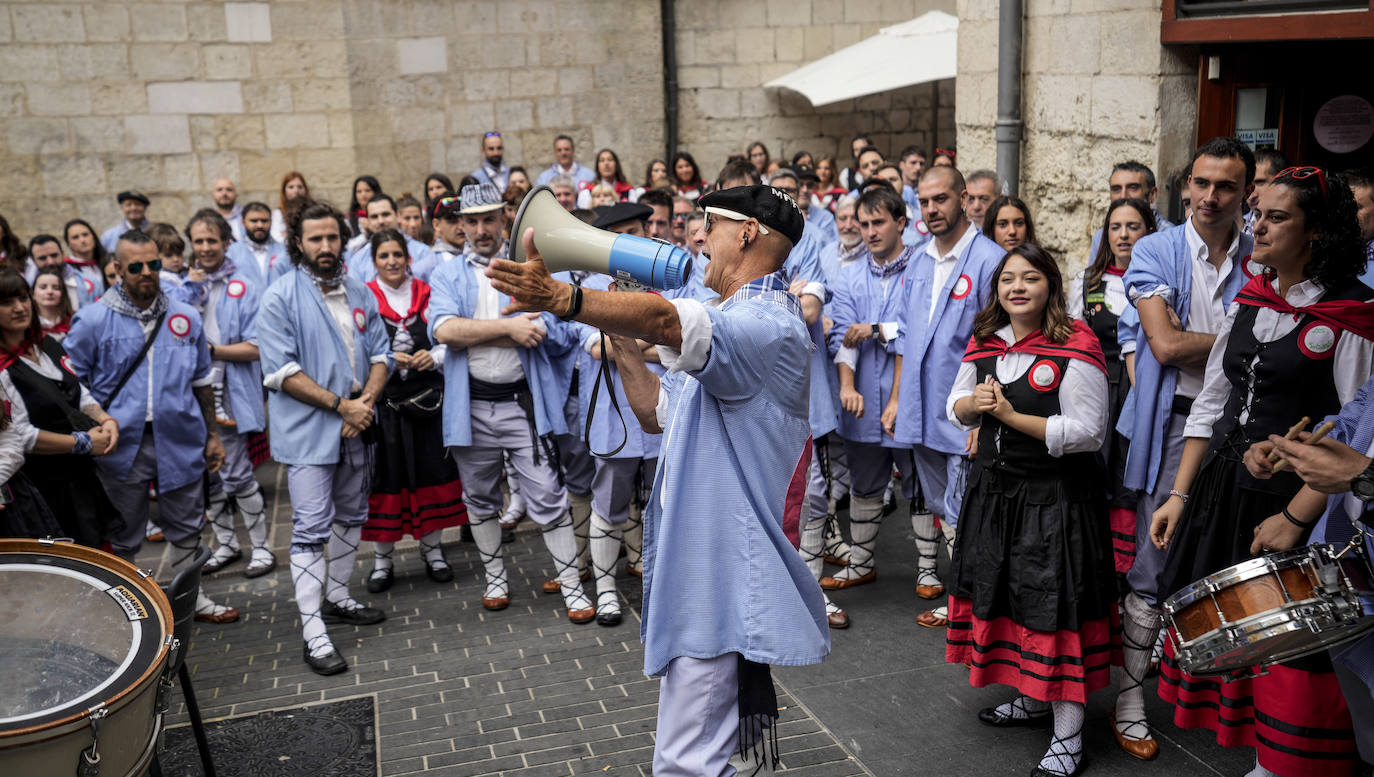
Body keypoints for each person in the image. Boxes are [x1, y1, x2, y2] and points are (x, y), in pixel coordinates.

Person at [485, 183, 829, 776]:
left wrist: (564, 297)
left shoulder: (767, 323)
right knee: (699, 753)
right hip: (704, 565)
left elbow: (667, 319)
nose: (700, 241)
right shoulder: (736, 326)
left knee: (686, 761)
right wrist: (618, 338)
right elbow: (656, 413)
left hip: (718, 571)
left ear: (746, 232)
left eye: (711, 226)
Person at [1150, 166, 1370, 777]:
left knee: (1294, 642)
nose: (1258, 227)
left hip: (1302, 507)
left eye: (1277, 217)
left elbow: (1354, 432)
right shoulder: (1252, 297)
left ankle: (1284, 763)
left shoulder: (1352, 317)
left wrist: (1299, 516)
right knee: (1243, 634)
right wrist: (1179, 493)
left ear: (1317, 232)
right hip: (1229, 490)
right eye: (1258, 214)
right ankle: (1262, 754)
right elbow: (1213, 404)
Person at [945, 243, 1117, 777]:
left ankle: (1069, 737)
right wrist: (974, 405)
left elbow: (1089, 433)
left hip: (1055, 499)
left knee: (1055, 607)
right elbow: (956, 409)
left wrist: (1011, 416)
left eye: (1030, 278)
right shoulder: (985, 343)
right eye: (1007, 280)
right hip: (996, 494)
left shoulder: (1076, 344)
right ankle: (1035, 698)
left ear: (1051, 288)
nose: (1017, 287)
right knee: (1015, 598)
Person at [1116, 137, 1256, 759]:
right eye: (1201, 183)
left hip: (1246, 425)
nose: (1210, 196)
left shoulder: (1262, 252)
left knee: (1230, 553)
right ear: (1185, 186)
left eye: (1225, 186)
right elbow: (1166, 347)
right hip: (1175, 423)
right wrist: (1246, 339)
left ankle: (1221, 700)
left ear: (1245, 192)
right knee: (1153, 558)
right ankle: (1128, 700)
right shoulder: (1155, 248)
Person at [427, 183, 594, 621]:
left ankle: (573, 586)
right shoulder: (446, 273)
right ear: (460, 226)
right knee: (480, 498)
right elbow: (444, 331)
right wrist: (511, 329)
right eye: (473, 221)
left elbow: (563, 337)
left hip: (524, 405)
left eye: (489, 219)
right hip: (472, 407)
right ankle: (496, 579)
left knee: (548, 495)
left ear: (504, 219)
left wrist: (545, 325)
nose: (482, 229)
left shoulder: (530, 265)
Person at [65, 229, 239, 624]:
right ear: (116, 268)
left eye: (154, 264)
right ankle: (121, 612)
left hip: (179, 438)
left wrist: (212, 435)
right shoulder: (93, 320)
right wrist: (90, 433)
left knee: (188, 523)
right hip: (118, 445)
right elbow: (73, 387)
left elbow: (201, 381)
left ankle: (191, 601)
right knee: (123, 532)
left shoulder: (184, 315)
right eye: (137, 266)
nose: (147, 272)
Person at [256, 201, 392, 676]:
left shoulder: (359, 291)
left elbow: (382, 352)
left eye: (332, 237)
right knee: (311, 526)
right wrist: (342, 407)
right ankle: (313, 631)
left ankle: (337, 596)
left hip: (358, 420)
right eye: (315, 239)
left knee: (353, 513)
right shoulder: (279, 296)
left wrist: (365, 403)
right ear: (298, 243)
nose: (326, 247)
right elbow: (281, 370)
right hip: (311, 430)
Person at [890, 166, 1006, 629]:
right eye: (924, 202)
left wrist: (983, 419)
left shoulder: (989, 259)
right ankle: (968, 595)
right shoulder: (917, 260)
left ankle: (969, 603)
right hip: (921, 409)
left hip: (963, 413)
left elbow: (999, 344)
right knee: (942, 507)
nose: (932, 209)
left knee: (964, 508)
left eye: (941, 199)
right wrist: (897, 399)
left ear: (963, 198)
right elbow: (904, 336)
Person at [1246, 374, 1374, 771]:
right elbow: (1359, 416)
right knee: (1368, 731)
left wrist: (1365, 477)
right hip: (1352, 563)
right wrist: (1306, 447)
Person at [821, 186, 924, 625]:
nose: (869, 232)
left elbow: (919, 328)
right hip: (863, 393)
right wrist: (848, 387)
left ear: (901, 222)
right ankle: (861, 562)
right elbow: (844, 335)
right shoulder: (849, 276)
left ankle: (929, 568)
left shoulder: (920, 267)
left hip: (911, 392)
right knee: (865, 481)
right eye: (863, 224)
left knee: (919, 479)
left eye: (878, 222)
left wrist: (877, 328)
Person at [361, 228, 468, 591]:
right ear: (374, 261)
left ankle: (433, 551)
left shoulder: (427, 293)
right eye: (383, 256)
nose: (391, 261)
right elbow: (360, 351)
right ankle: (382, 561)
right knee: (386, 480)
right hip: (386, 405)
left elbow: (445, 342)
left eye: (397, 254)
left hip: (427, 404)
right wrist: (388, 360)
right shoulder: (366, 297)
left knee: (431, 474)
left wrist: (432, 356)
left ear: (408, 257)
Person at [179, 210, 274, 579]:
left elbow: (257, 346)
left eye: (211, 241)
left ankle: (262, 547)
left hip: (227, 392)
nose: (205, 248)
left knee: (236, 472)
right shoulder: (183, 287)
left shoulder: (246, 286)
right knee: (209, 476)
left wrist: (210, 351)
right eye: (198, 241)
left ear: (226, 242)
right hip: (188, 396)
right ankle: (227, 544)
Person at [1067, 198, 1157, 591]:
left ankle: (1123, 575)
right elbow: (1070, 340)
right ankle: (1090, 563)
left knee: (1126, 480)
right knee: (1090, 475)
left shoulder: (1159, 281)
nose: (1123, 234)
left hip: (1138, 393)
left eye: (1133, 226)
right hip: (1096, 391)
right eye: (1115, 226)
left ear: (1149, 232)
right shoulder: (1087, 282)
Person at [0, 270, 122, 548]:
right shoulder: (3, 368)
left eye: (22, 298)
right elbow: (22, 435)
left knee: (102, 553)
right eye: (7, 302)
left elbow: (78, 393)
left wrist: (105, 419)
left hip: (80, 477)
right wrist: (84, 442)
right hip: (46, 485)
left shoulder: (47, 345)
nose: (20, 307)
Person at [1089, 162, 1175, 258]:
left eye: (1133, 188)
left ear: (1152, 194)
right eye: (1116, 189)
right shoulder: (1101, 237)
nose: (1123, 196)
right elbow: (1095, 272)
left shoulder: (1170, 239)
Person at [348, 195, 438, 283]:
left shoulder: (422, 252)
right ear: (368, 221)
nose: (381, 221)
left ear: (398, 216)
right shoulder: (358, 260)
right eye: (374, 217)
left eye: (385, 214)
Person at [228, 201, 289, 290]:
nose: (260, 225)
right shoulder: (232, 253)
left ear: (271, 222)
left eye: (264, 221)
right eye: (254, 221)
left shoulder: (284, 251)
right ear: (243, 222)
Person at [61, 219, 108, 308]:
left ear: (93, 236)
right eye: (75, 237)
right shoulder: (66, 270)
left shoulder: (106, 263)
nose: (82, 240)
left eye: (85, 235)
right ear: (68, 243)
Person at [1245, 149, 1290, 232]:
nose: (1251, 196)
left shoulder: (1293, 226)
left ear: (1282, 181)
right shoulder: (1236, 225)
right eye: (1247, 184)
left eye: (1260, 183)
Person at [794, 164, 837, 246]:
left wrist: (805, 223)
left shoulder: (826, 217)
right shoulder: (783, 215)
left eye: (809, 185)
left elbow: (827, 248)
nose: (805, 190)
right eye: (800, 184)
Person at [32, 268, 74, 341]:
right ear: (33, 294)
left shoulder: (74, 322)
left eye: (56, 288)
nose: (50, 291)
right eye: (43, 287)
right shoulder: (28, 326)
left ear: (63, 293)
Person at [271, 171, 310, 243]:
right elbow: (276, 236)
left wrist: (288, 236)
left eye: (300, 187)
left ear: (305, 190)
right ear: (284, 191)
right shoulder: (278, 213)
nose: (296, 191)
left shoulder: (312, 211)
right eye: (291, 187)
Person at [430, 195, 465, 263]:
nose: (461, 227)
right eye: (452, 220)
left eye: (465, 219)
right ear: (436, 225)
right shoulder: (427, 266)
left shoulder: (479, 256)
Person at [211, 177, 245, 242]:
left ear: (236, 195)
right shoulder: (208, 218)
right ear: (213, 195)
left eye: (229, 190)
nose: (224, 194)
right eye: (219, 190)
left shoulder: (247, 216)